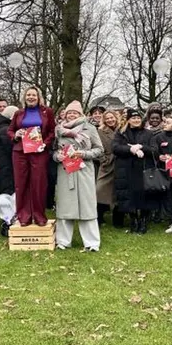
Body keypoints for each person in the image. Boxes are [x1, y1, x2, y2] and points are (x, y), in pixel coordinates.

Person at [53, 101, 104, 251]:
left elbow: (99, 149)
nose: (72, 115)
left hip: (84, 171)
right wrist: (58, 156)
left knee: (86, 207)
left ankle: (91, 242)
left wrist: (84, 154)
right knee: (64, 207)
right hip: (65, 172)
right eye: (69, 113)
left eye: (75, 113)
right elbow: (54, 151)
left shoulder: (90, 128)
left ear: (81, 114)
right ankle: (63, 241)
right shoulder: (59, 130)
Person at [8, 86, 56, 227]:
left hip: (39, 152)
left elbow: (52, 132)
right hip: (20, 152)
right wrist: (15, 135)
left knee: (39, 183)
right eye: (28, 95)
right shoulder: (19, 113)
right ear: (25, 97)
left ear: (38, 97)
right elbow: (10, 130)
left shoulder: (47, 112)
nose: (31, 97)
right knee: (21, 184)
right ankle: (24, 216)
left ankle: (39, 215)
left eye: (33, 95)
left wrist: (45, 144)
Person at [112, 108, 156, 234]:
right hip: (126, 169)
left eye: (138, 118)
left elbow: (154, 150)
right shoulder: (122, 133)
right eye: (133, 118)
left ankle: (143, 220)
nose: (136, 120)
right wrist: (130, 149)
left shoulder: (148, 133)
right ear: (128, 120)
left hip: (143, 169)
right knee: (128, 196)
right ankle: (133, 220)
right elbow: (115, 148)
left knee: (144, 196)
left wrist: (142, 147)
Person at [0, 105, 20, 236]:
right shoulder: (5, 130)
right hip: (8, 168)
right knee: (9, 196)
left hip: (9, 167)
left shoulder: (4, 128)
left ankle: (11, 222)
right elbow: (13, 148)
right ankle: (7, 224)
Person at [96, 110, 118, 226]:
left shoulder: (121, 130)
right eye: (107, 118)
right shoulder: (100, 131)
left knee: (117, 192)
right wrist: (103, 160)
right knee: (100, 190)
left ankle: (117, 219)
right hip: (107, 164)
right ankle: (99, 217)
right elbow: (97, 146)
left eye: (112, 117)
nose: (110, 120)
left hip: (119, 163)